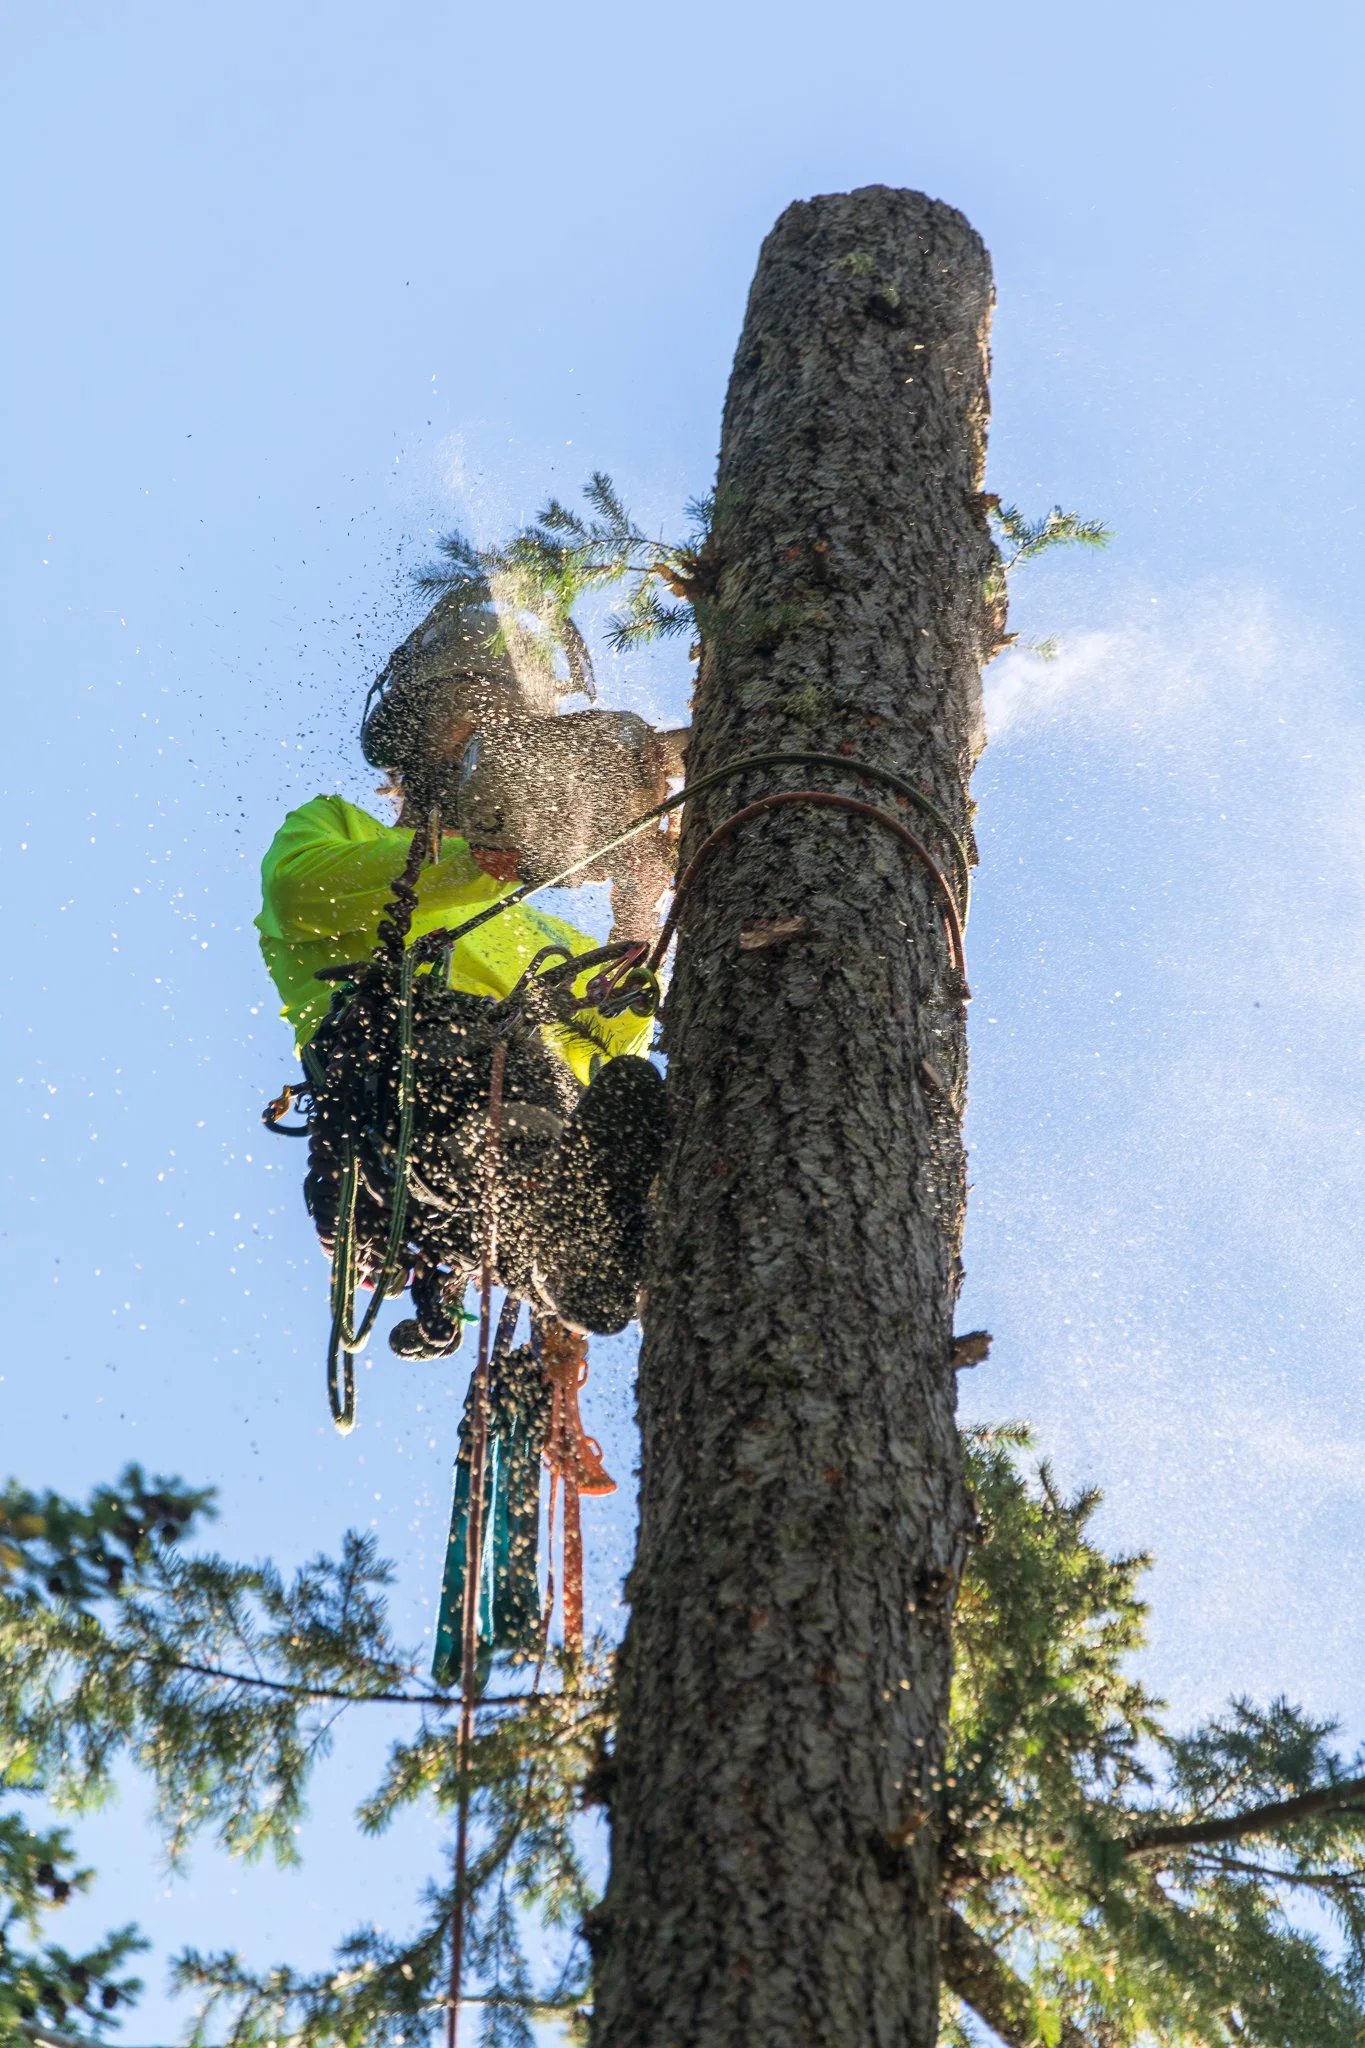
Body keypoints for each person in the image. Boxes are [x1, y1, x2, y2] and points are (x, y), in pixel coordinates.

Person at [256, 604, 666, 1342]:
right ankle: (568, 1248)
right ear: (416, 738)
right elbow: (300, 892)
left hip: (543, 1101)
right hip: (413, 1087)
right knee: (501, 1091)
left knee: (631, 1094)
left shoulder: (545, 925)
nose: (486, 731)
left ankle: (610, 1245)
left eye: (500, 713)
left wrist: (635, 919)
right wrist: (471, 864)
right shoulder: (337, 830)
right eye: (465, 714)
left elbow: (607, 1048)